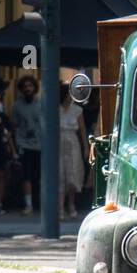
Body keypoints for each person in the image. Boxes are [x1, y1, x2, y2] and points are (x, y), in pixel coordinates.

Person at [12, 76, 42, 215]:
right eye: (25, 86)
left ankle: (42, 203)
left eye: (30, 86)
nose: (28, 89)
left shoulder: (41, 103)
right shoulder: (17, 105)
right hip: (24, 144)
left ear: (34, 87)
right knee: (27, 176)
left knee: (41, 176)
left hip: (41, 145)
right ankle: (28, 204)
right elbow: (14, 125)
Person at [59, 81, 88, 219]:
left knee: (72, 174)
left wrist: (86, 148)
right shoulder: (55, 109)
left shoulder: (77, 110)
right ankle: (60, 207)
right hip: (58, 144)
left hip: (72, 143)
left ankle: (71, 204)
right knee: (59, 174)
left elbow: (82, 131)